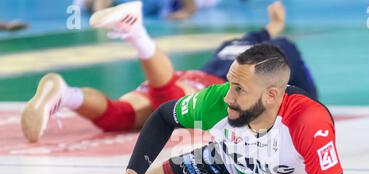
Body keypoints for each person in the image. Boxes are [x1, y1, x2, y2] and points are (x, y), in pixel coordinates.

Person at [72, 43, 351, 174]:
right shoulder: (217, 100)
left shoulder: (307, 121)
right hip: (226, 167)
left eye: (240, 89)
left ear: (271, 95)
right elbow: (161, 118)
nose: (228, 97)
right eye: (230, 84)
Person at [21, 1, 317, 143]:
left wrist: (275, 23)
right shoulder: (246, 63)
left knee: (120, 115)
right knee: (172, 103)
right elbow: (266, 38)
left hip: (178, 77)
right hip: (202, 85)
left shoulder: (235, 49)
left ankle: (66, 94)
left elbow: (262, 33)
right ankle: (135, 31)